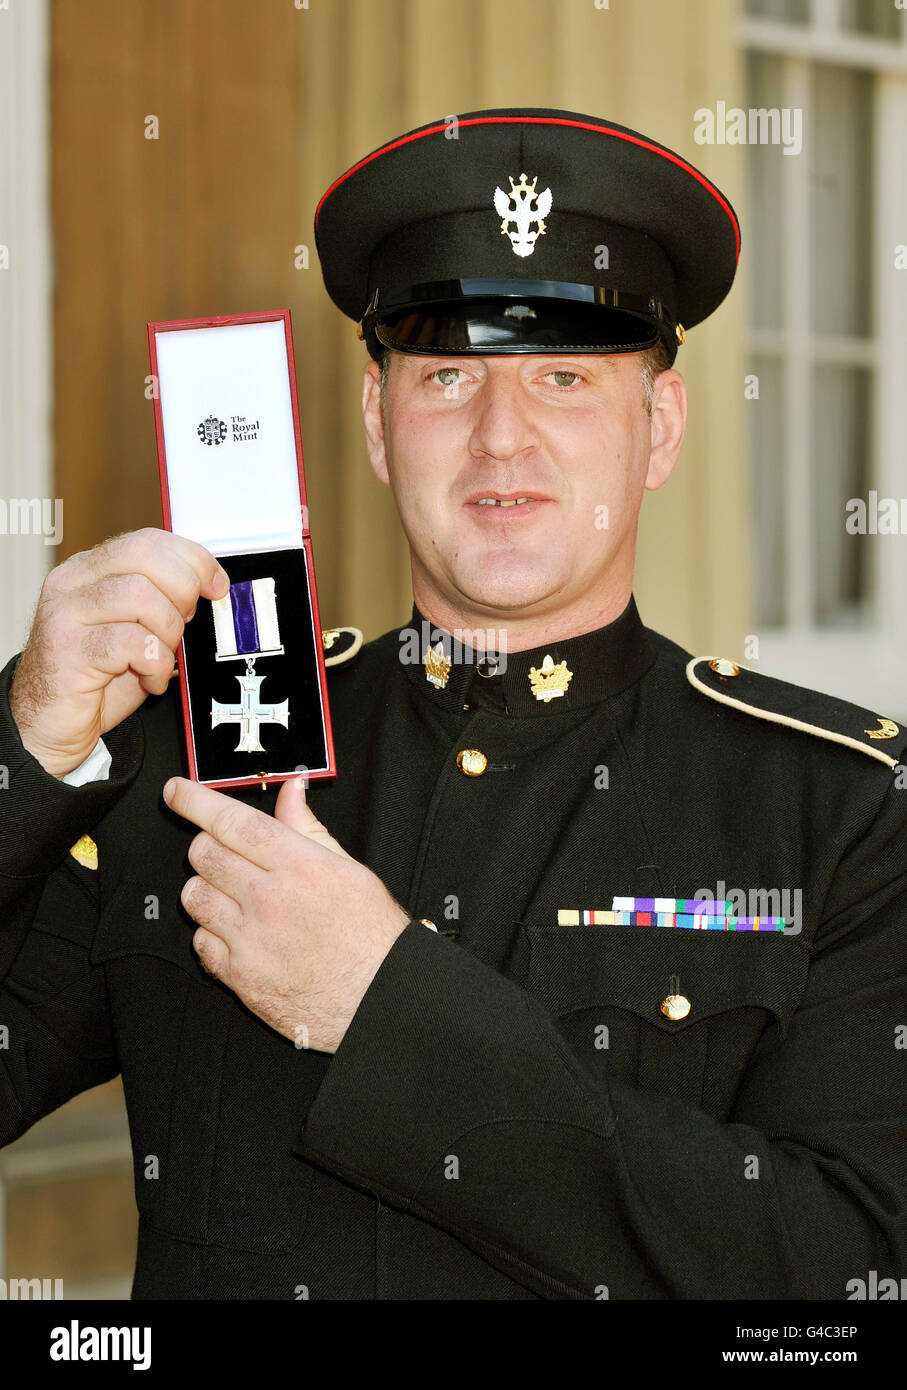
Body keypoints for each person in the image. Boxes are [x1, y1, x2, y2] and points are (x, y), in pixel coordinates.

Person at [1, 107, 904, 1300]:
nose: (499, 438)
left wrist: (383, 1009)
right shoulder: (201, 753)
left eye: (565, 377)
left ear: (661, 429)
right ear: (378, 425)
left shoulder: (836, 812)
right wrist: (26, 746)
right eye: (445, 377)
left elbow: (847, 1279)